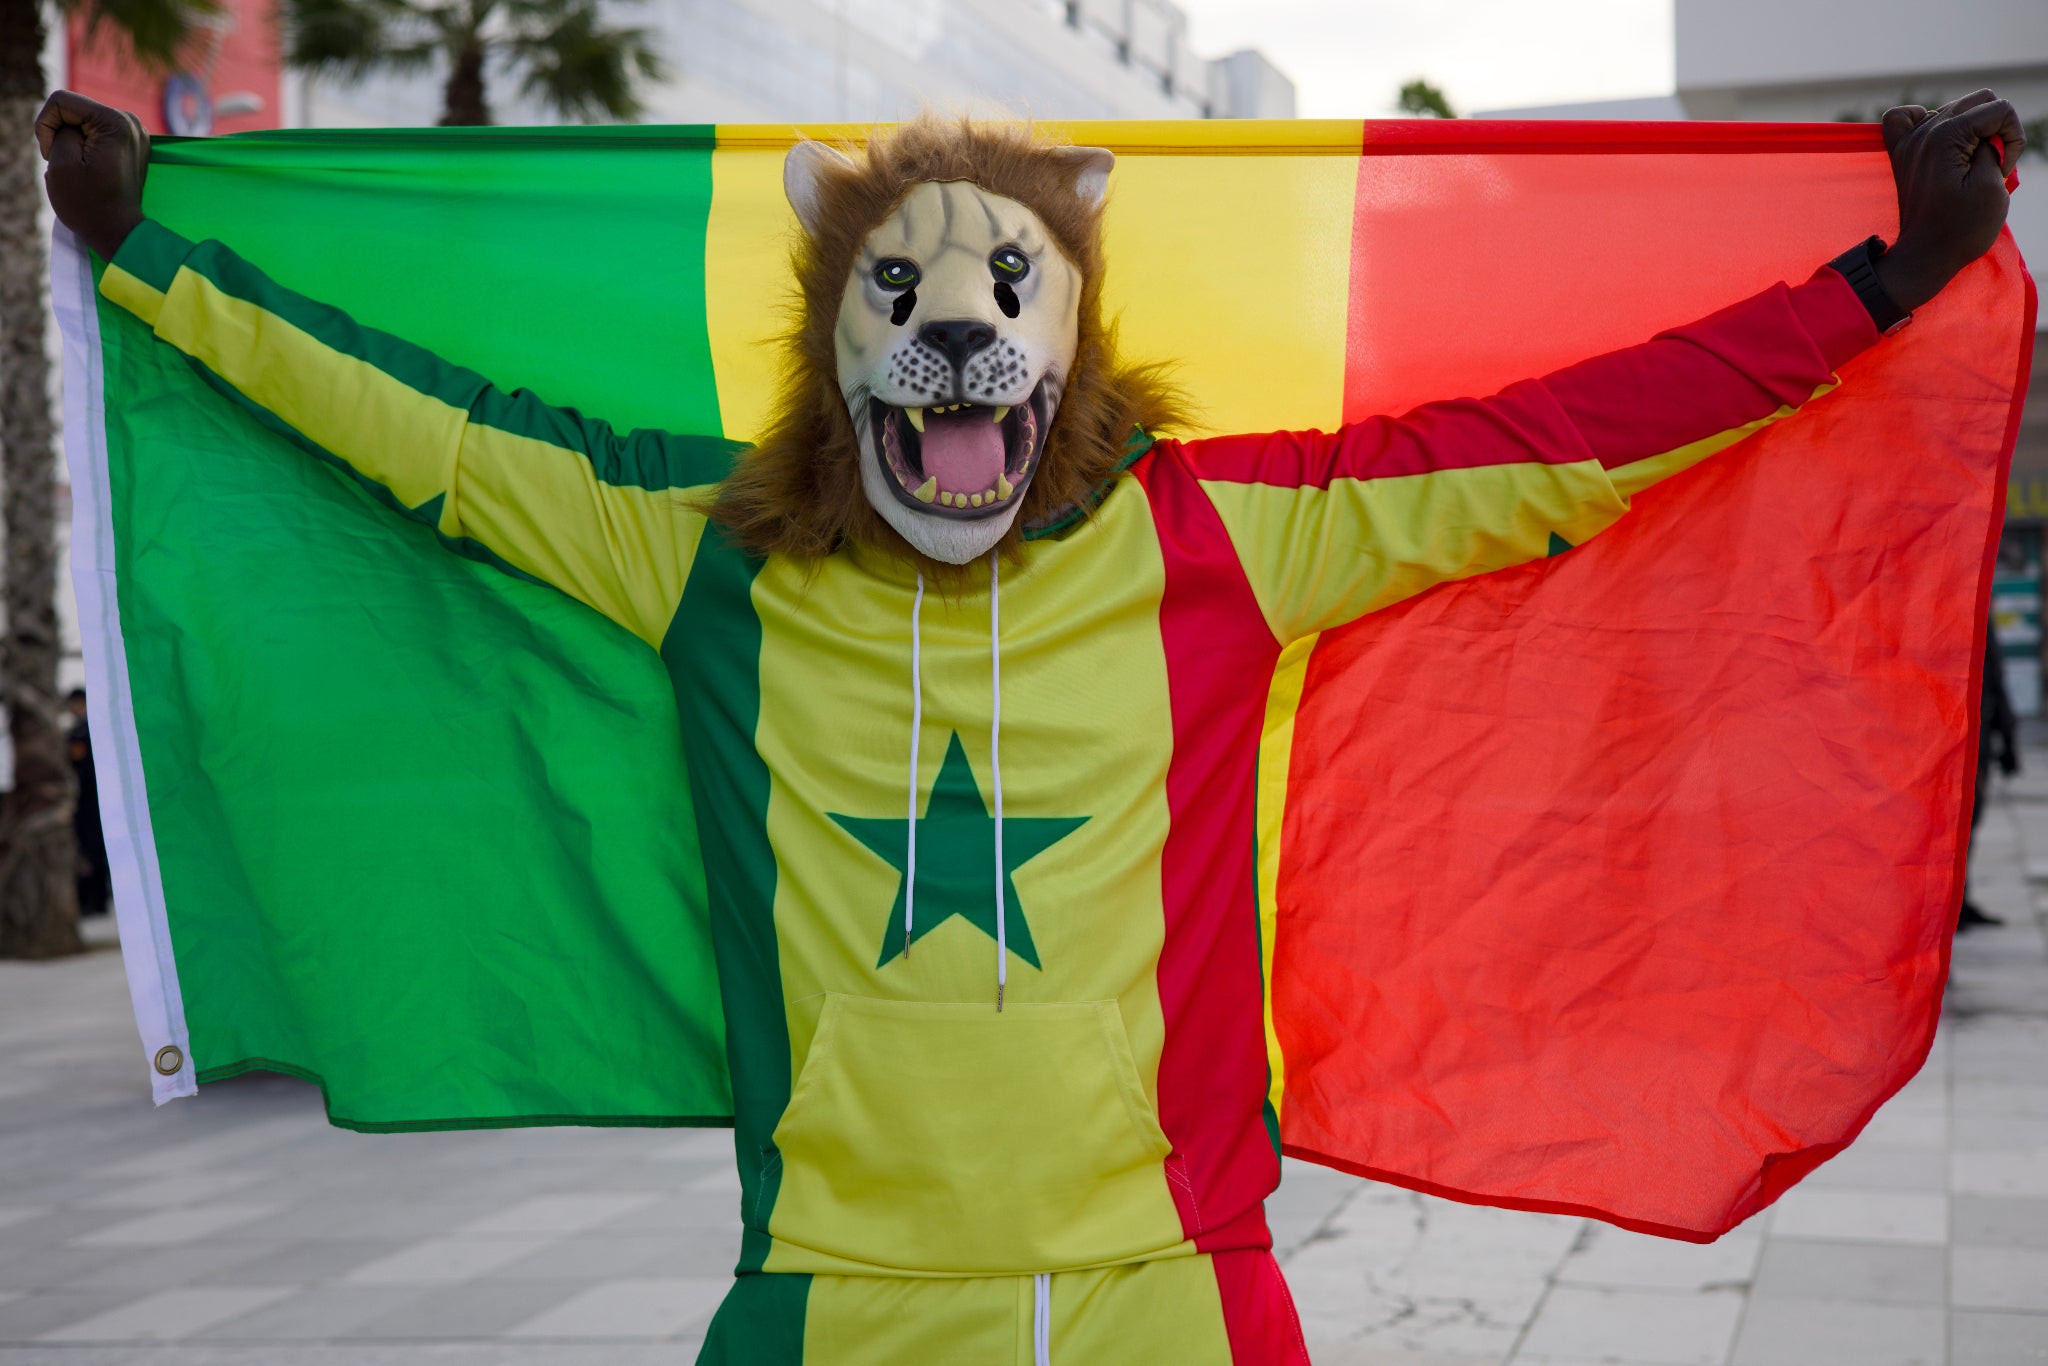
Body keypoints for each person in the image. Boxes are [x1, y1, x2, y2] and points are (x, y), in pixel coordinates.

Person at [34, 88, 2024, 1364]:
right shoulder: (707, 557)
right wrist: (153, 256)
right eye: (900, 293)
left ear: (1066, 331)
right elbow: (441, 443)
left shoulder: (1217, 535)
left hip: (1172, 1290)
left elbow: (1560, 445)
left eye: (1004, 288)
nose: (956, 329)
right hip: (830, 1298)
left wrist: (1880, 283)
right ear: (835, 337)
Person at [1961, 621, 2021, 931]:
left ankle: (1959, 901)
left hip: (1977, 738)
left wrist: (2008, 739)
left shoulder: (1979, 617)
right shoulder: (1965, 615)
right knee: (1957, 827)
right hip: (1964, 741)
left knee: (1967, 827)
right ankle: (1951, 905)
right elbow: (1993, 681)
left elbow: (1994, 681)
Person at [65, 688, 110, 916]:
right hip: (92, 799)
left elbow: (80, 765)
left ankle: (96, 900)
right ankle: (95, 900)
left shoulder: (84, 731)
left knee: (93, 849)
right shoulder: (85, 728)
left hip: (89, 800)